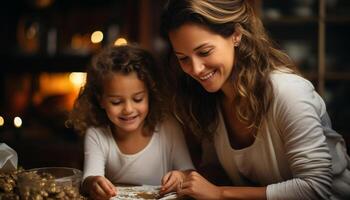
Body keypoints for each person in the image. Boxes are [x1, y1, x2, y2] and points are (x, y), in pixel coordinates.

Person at [161, 0, 350, 199]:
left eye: (204, 52)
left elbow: (315, 188)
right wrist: (189, 178)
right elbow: (218, 170)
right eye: (183, 58)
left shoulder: (287, 92)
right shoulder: (210, 99)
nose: (196, 69)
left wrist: (219, 193)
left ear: (236, 35)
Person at [68, 44, 194, 200]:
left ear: (150, 94)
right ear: (101, 100)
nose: (128, 109)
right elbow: (88, 180)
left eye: (138, 99)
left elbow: (189, 173)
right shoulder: (97, 134)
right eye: (116, 102)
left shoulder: (168, 127)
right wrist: (94, 183)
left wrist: (180, 176)